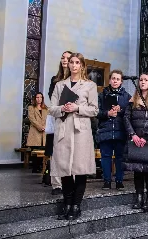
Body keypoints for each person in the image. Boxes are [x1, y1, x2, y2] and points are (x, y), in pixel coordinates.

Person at [49, 53, 98, 220]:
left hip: (80, 131)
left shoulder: (89, 85)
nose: (74, 65)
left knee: (80, 169)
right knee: (65, 170)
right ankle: (67, 204)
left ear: (82, 65)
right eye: (72, 62)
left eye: (77, 62)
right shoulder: (59, 85)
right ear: (68, 65)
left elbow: (94, 110)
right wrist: (63, 108)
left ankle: (76, 206)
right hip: (63, 129)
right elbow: (51, 109)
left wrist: (77, 108)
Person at [123, 73, 148, 212]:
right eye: (141, 80)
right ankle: (139, 196)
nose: (142, 82)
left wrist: (146, 136)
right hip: (135, 139)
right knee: (137, 170)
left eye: (146, 80)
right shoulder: (132, 99)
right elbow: (126, 118)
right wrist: (133, 134)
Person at [96, 70, 131, 190]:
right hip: (105, 130)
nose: (115, 81)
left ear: (121, 81)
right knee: (105, 156)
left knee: (120, 157)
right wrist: (107, 113)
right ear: (110, 80)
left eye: (118, 79)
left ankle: (119, 180)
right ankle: (106, 180)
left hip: (120, 130)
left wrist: (121, 110)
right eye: (113, 78)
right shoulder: (101, 95)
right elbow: (96, 112)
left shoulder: (127, 97)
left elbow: (130, 113)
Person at [45, 50, 72, 194]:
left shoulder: (76, 80)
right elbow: (52, 98)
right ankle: (56, 184)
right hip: (58, 116)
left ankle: (69, 180)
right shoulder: (55, 80)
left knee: (70, 150)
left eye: (68, 58)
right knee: (56, 151)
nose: (64, 60)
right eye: (62, 57)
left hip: (72, 117)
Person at [27, 92, 48, 173]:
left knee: (42, 150)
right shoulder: (31, 107)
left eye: (40, 97)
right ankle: (35, 168)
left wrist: (45, 126)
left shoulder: (46, 108)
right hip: (35, 132)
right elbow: (32, 119)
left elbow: (48, 119)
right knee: (35, 151)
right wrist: (40, 127)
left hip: (44, 133)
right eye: (37, 97)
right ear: (35, 99)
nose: (39, 99)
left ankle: (40, 167)